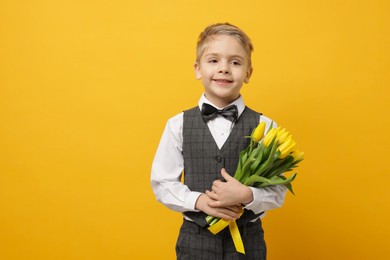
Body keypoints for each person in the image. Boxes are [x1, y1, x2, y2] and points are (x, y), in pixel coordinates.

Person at [151, 23, 287, 260]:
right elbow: (162, 183)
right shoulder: (178, 124)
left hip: (248, 241)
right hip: (195, 241)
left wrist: (247, 194)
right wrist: (199, 200)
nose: (224, 69)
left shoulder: (267, 127)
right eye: (213, 60)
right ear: (197, 69)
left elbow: (279, 191)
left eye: (235, 62)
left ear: (248, 73)